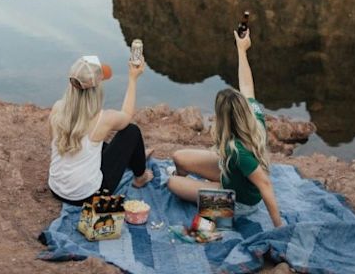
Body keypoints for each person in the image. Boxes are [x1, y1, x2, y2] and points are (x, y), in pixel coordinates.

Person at [167, 30, 283, 227]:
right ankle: (208, 187)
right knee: (179, 157)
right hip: (230, 174)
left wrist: (278, 225)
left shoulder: (236, 149)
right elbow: (247, 85)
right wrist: (241, 50)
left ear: (224, 120)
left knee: (172, 184)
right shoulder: (254, 116)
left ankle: (217, 200)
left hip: (239, 201)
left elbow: (265, 184)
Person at [48, 55, 153, 206]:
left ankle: (134, 159)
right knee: (131, 131)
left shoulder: (57, 108)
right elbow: (127, 116)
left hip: (56, 188)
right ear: (97, 88)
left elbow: (53, 141)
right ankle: (140, 178)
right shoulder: (102, 119)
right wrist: (132, 78)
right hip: (87, 196)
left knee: (89, 144)